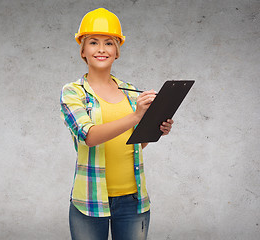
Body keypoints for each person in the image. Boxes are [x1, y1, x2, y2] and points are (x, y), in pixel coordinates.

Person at [60, 8, 174, 240]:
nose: (101, 49)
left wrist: (155, 129)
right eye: (93, 42)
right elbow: (89, 137)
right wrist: (135, 118)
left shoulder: (131, 91)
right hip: (90, 201)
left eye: (109, 43)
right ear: (83, 50)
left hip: (133, 200)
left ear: (117, 51)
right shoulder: (73, 92)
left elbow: (134, 146)